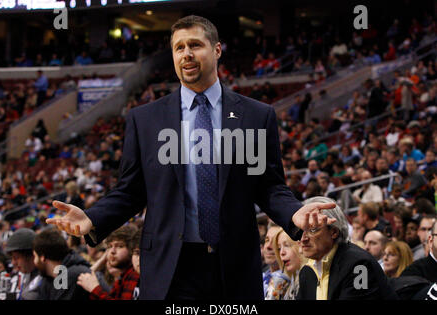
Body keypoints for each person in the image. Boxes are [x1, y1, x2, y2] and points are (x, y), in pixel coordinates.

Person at [46, 15, 336, 300]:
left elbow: (269, 186)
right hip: (170, 265)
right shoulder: (144, 119)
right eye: (179, 47)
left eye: (195, 45)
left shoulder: (256, 115)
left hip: (232, 264)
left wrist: (294, 213)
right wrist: (92, 217)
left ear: (217, 50)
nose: (186, 54)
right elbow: (130, 191)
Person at [296, 196, 398, 300]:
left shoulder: (359, 265)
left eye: (312, 230)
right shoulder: (307, 272)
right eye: (301, 230)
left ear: (334, 232)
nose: (303, 239)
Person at [77, 225, 140, 300]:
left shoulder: (134, 274)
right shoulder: (122, 277)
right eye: (110, 246)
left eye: (120, 246)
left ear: (131, 249)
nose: (112, 251)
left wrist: (94, 289)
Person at [33, 228, 91, 300]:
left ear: (42, 257)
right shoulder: (48, 280)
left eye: (35, 256)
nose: (34, 261)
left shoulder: (75, 274)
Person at [5, 228, 41, 300]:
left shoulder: (45, 279)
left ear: (32, 255)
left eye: (16, 258)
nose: (13, 263)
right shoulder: (25, 275)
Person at [271, 229, 306, 300]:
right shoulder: (286, 283)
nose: (281, 252)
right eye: (279, 248)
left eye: (287, 245)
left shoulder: (309, 279)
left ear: (300, 245)